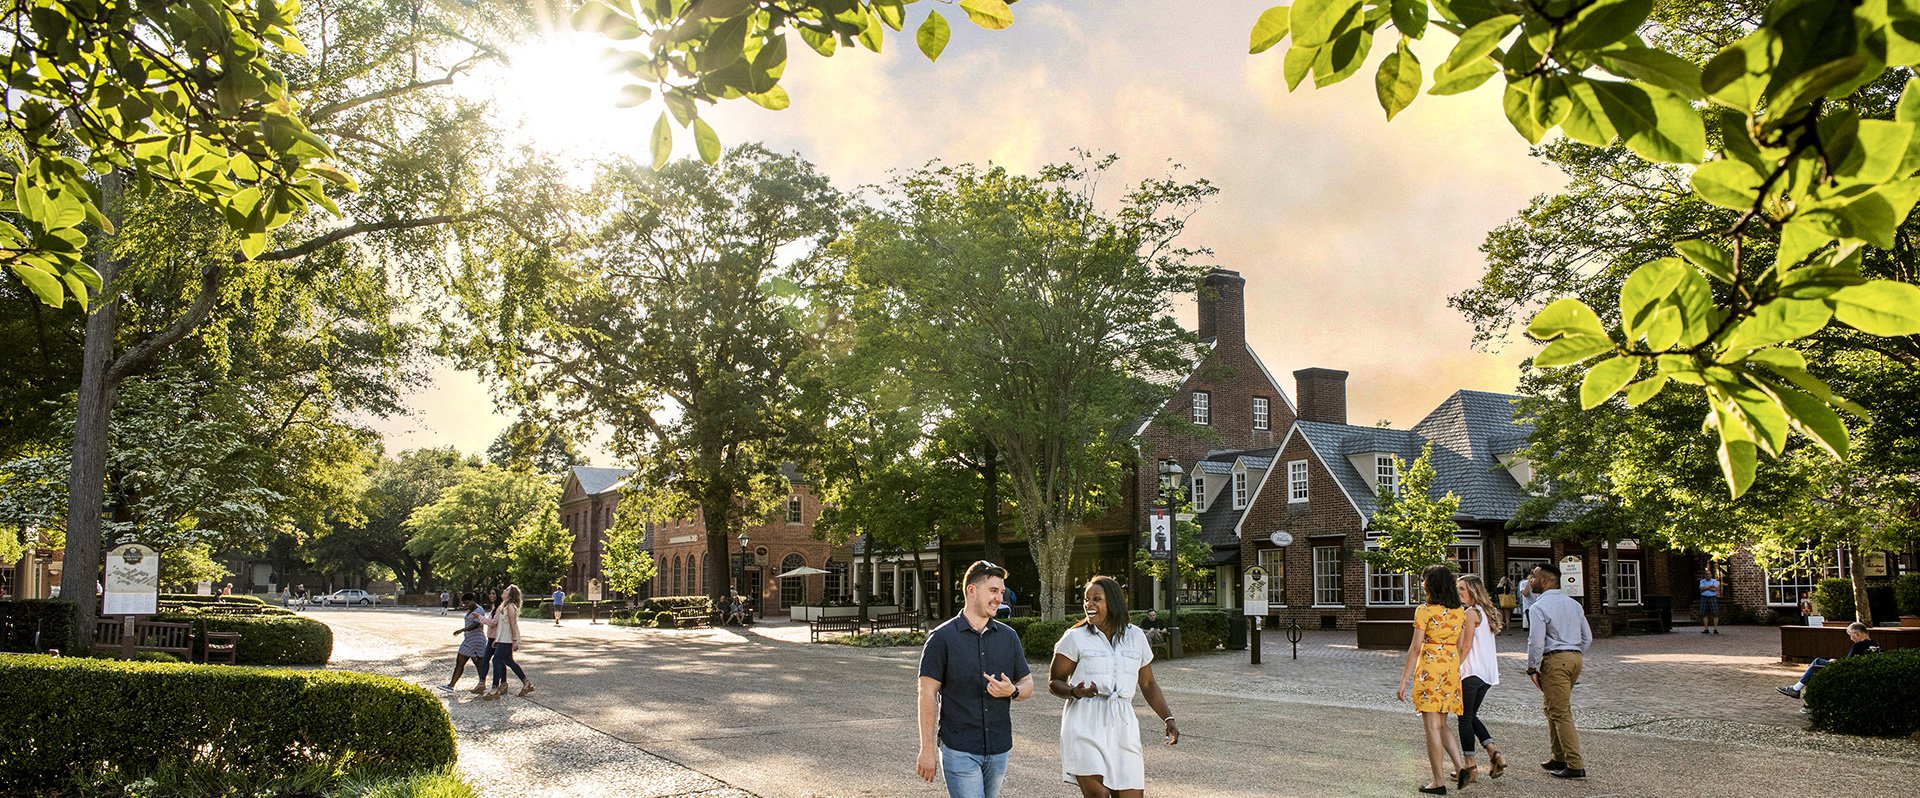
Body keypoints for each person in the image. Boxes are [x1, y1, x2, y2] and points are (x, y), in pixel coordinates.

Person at [1050, 575, 1177, 797]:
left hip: (1123, 723)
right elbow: (1054, 681)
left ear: (1114, 602)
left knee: (1131, 794)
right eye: (1086, 599)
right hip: (1084, 721)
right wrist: (1074, 691)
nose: (1089, 604)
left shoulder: (1136, 636)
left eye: (1096, 599)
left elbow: (1147, 683)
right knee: (1099, 795)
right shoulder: (1075, 637)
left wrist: (1168, 718)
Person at [916, 561, 1034, 798]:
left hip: (999, 748)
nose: (999, 598)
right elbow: (927, 694)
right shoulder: (942, 638)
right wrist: (926, 750)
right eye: (993, 591)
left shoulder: (1009, 637)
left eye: (1001, 592)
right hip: (959, 748)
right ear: (971, 590)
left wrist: (1012, 691)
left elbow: (1028, 684)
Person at [1396, 564, 1472, 795]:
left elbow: (1416, 647)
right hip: (1449, 666)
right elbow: (1461, 647)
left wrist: (1403, 681)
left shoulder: (1425, 611)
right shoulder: (1460, 612)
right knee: (1442, 723)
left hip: (1430, 667)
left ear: (1431, 585)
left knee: (1431, 728)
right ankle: (1460, 767)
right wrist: (1450, 668)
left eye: (1424, 580)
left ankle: (1438, 781)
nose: (1422, 584)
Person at [1526, 563, 1593, 780]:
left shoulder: (1538, 607)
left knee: (1561, 712)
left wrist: (1532, 667)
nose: (1531, 579)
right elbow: (1587, 637)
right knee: (1552, 706)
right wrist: (1573, 652)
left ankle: (1574, 764)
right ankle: (1558, 756)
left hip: (1555, 660)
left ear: (1545, 581)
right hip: (1574, 658)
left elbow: (1535, 641)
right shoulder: (1573, 605)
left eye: (1534, 576)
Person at [1455, 574, 1509, 782]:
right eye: (1457, 588)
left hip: (1471, 671)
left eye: (1462, 588)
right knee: (1471, 715)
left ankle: (1471, 767)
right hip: (1486, 673)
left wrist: (1455, 667)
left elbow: (1466, 645)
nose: (1459, 592)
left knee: (1464, 718)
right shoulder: (1486, 612)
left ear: (1473, 591)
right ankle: (1494, 753)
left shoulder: (1470, 613)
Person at [1778, 622, 1879, 699]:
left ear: (1857, 634)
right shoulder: (1874, 644)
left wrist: (1836, 662)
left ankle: (1796, 689)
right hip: (1860, 671)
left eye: (1851, 636)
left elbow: (1847, 663)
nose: (1851, 639)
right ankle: (1797, 690)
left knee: (1817, 662)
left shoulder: (1858, 645)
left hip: (1848, 672)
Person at [484, 584, 535, 699]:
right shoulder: (504, 606)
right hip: (502, 639)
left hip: (507, 640)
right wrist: (496, 640)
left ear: (510, 594)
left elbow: (513, 624)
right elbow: (502, 627)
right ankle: (526, 683)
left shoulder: (511, 607)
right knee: (509, 661)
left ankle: (494, 689)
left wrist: (515, 640)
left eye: (507, 590)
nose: (504, 591)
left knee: (496, 660)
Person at [444, 593, 490, 691]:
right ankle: (481, 684)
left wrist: (462, 630)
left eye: (467, 603)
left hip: (475, 641)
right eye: (464, 604)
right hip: (470, 640)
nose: (466, 605)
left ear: (473, 600)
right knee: (476, 663)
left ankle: (451, 685)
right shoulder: (471, 610)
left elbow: (476, 624)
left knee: (462, 661)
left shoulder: (479, 610)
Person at [471, 587, 503, 694]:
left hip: (497, 638)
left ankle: (500, 684)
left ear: (498, 595)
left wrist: (480, 618)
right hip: (491, 637)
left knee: (499, 661)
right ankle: (482, 683)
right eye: (490, 594)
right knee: (486, 659)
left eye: (493, 594)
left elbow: (493, 623)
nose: (491, 596)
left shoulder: (500, 608)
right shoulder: (495, 607)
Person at [1698, 565, 1722, 635]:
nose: (1707, 575)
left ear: (1711, 575)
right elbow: (1701, 589)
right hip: (1704, 598)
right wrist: (1711, 586)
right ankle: (1706, 628)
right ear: (1705, 575)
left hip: (1712, 598)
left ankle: (1715, 629)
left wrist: (1706, 588)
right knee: (1704, 613)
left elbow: (1715, 589)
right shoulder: (1702, 581)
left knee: (1715, 613)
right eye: (1706, 574)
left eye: (1709, 574)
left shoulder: (1715, 581)